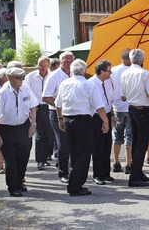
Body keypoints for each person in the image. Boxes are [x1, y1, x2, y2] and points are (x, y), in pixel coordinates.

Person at [56, 59, 109, 196]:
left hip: (68, 119)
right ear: (84, 71)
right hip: (83, 120)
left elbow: (58, 104)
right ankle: (75, 185)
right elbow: (99, 106)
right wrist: (106, 121)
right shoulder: (88, 85)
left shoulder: (64, 83)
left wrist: (60, 119)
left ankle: (74, 182)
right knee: (84, 153)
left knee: (74, 152)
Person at [0, 67, 38, 197]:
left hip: (23, 126)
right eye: (18, 78)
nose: (21, 80)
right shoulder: (3, 93)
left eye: (22, 77)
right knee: (11, 160)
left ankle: (20, 181)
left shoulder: (26, 88)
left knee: (23, 157)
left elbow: (33, 106)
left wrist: (33, 124)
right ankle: (13, 186)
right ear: (9, 78)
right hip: (7, 128)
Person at [120, 48, 149, 187]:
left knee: (136, 142)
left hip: (131, 108)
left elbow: (123, 97)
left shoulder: (125, 74)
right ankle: (135, 176)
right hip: (142, 109)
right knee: (141, 143)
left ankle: (137, 172)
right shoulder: (144, 74)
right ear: (142, 60)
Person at [42, 51, 74, 184]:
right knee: (63, 143)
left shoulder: (74, 74)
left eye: (71, 60)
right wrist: (60, 105)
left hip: (72, 113)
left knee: (73, 142)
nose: (68, 63)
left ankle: (72, 169)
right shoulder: (54, 76)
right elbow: (45, 97)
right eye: (66, 61)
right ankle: (63, 172)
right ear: (60, 62)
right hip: (57, 114)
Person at [88, 60, 116, 185]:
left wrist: (112, 114)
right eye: (109, 71)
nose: (111, 73)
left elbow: (110, 99)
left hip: (107, 114)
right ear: (102, 71)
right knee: (97, 146)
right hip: (96, 117)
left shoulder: (108, 82)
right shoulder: (92, 83)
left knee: (106, 145)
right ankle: (97, 174)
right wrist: (105, 120)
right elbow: (97, 105)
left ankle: (106, 173)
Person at [24, 56, 54, 170]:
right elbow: (26, 91)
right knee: (40, 133)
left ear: (48, 66)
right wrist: (30, 105)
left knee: (50, 133)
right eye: (39, 65)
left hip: (50, 106)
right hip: (37, 107)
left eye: (44, 65)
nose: (41, 68)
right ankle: (40, 160)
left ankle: (47, 155)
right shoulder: (31, 77)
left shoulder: (52, 76)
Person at [111, 49, 133, 174]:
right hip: (130, 106)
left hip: (117, 106)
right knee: (129, 136)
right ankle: (129, 163)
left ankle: (116, 161)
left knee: (117, 135)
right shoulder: (133, 71)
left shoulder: (113, 70)